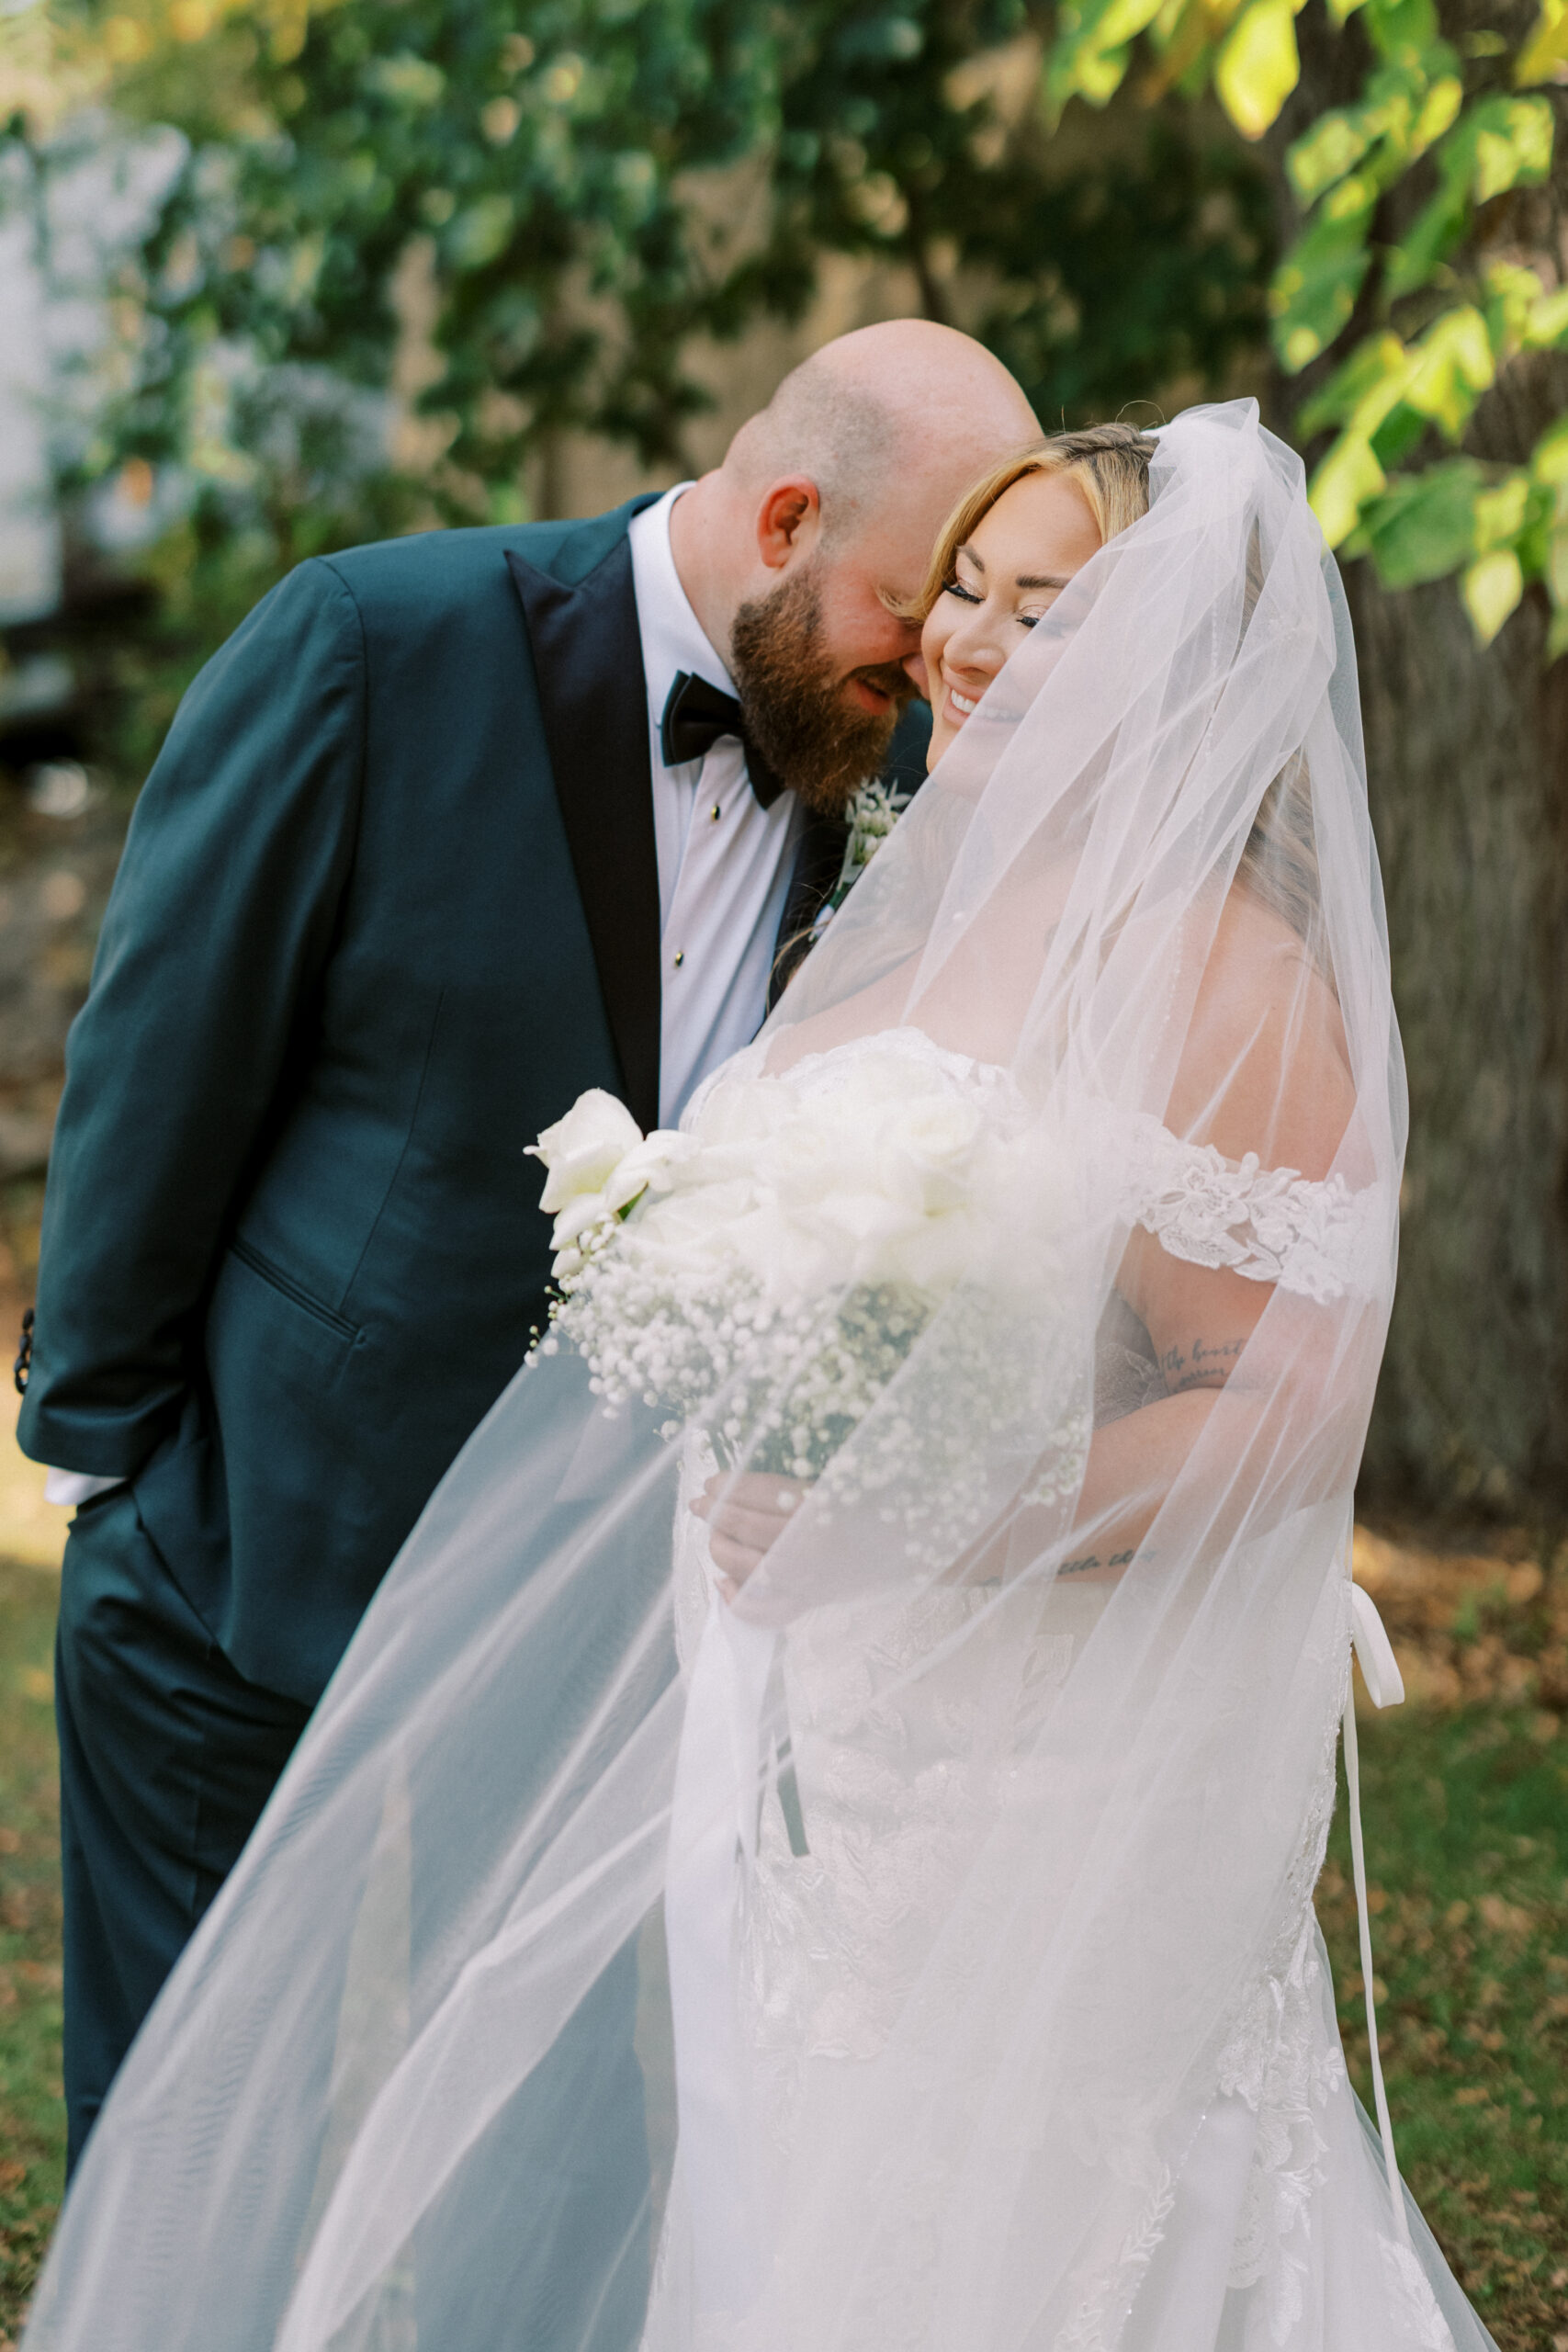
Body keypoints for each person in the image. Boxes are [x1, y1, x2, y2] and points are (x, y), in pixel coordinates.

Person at [24, 403, 1497, 2352]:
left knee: (1037, 2224)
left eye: (1037, 609)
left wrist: (947, 1507)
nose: (959, 647)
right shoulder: (894, 901)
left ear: (1174, 660)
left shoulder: (1224, 974)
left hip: (1020, 1751)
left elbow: (1286, 1404)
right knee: (775, 2177)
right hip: (793, 1716)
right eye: (959, 588)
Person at [12, 315, 1040, 2188]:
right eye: (918, 598)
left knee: (560, 2168)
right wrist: (115, 1465)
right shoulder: (367, 646)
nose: (945, 653)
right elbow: (164, 1053)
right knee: (196, 2161)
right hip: (254, 1571)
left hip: (615, 1625)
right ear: (789, 515)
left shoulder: (876, 755)